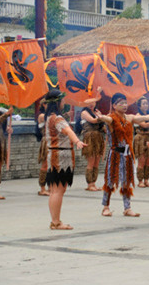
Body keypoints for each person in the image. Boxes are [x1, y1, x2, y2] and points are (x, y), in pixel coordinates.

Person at [96, 93, 149, 217]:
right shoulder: (111, 118)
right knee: (110, 180)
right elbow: (107, 119)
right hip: (115, 154)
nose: (124, 105)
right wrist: (101, 117)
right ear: (114, 105)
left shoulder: (130, 118)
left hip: (127, 154)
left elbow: (145, 117)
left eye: (125, 103)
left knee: (127, 181)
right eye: (121, 103)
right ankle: (105, 207)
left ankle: (127, 208)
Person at [42, 89, 87, 230]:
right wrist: (77, 141)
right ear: (57, 102)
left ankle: (55, 221)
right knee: (58, 191)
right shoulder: (57, 119)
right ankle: (56, 222)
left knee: (55, 190)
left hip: (54, 154)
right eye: (62, 100)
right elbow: (68, 131)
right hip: (60, 157)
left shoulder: (49, 117)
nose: (64, 102)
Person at [78, 91, 106, 191]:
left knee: (96, 162)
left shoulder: (97, 112)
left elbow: (102, 127)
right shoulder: (84, 113)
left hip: (98, 138)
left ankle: (94, 183)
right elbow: (93, 121)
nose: (91, 104)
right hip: (89, 137)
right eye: (89, 102)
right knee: (91, 161)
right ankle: (89, 184)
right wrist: (101, 117)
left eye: (93, 102)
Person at [36, 98, 50, 196]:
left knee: (53, 166)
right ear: (44, 105)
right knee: (45, 164)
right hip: (47, 141)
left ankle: (50, 186)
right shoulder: (42, 116)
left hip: (54, 141)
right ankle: (42, 188)